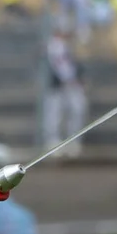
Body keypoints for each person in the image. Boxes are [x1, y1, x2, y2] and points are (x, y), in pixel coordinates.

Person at [43, 19, 88, 157]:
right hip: (59, 86)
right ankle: (53, 143)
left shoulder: (65, 45)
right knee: (55, 114)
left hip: (69, 85)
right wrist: (73, 80)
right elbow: (62, 68)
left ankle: (72, 141)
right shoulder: (54, 45)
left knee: (75, 110)